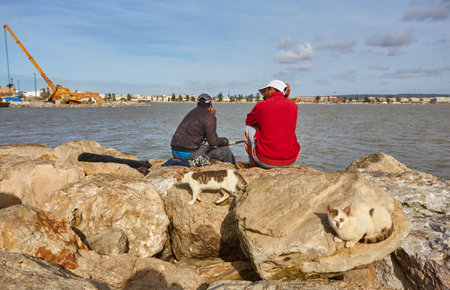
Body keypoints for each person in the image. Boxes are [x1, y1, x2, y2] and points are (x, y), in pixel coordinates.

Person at [238, 80, 300, 169]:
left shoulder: (261, 106)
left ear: (271, 89)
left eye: (265, 91)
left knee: (249, 128)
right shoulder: (294, 106)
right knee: (288, 129)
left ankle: (252, 165)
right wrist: (285, 97)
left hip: (265, 161)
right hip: (290, 160)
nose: (263, 95)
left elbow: (249, 121)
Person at [170, 93, 236, 165]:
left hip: (175, 152)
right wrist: (225, 141)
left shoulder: (192, 112)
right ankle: (235, 169)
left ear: (198, 104)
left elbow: (200, 122)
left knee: (206, 147)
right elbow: (213, 142)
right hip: (188, 154)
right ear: (210, 105)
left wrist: (210, 115)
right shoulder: (209, 117)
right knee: (225, 151)